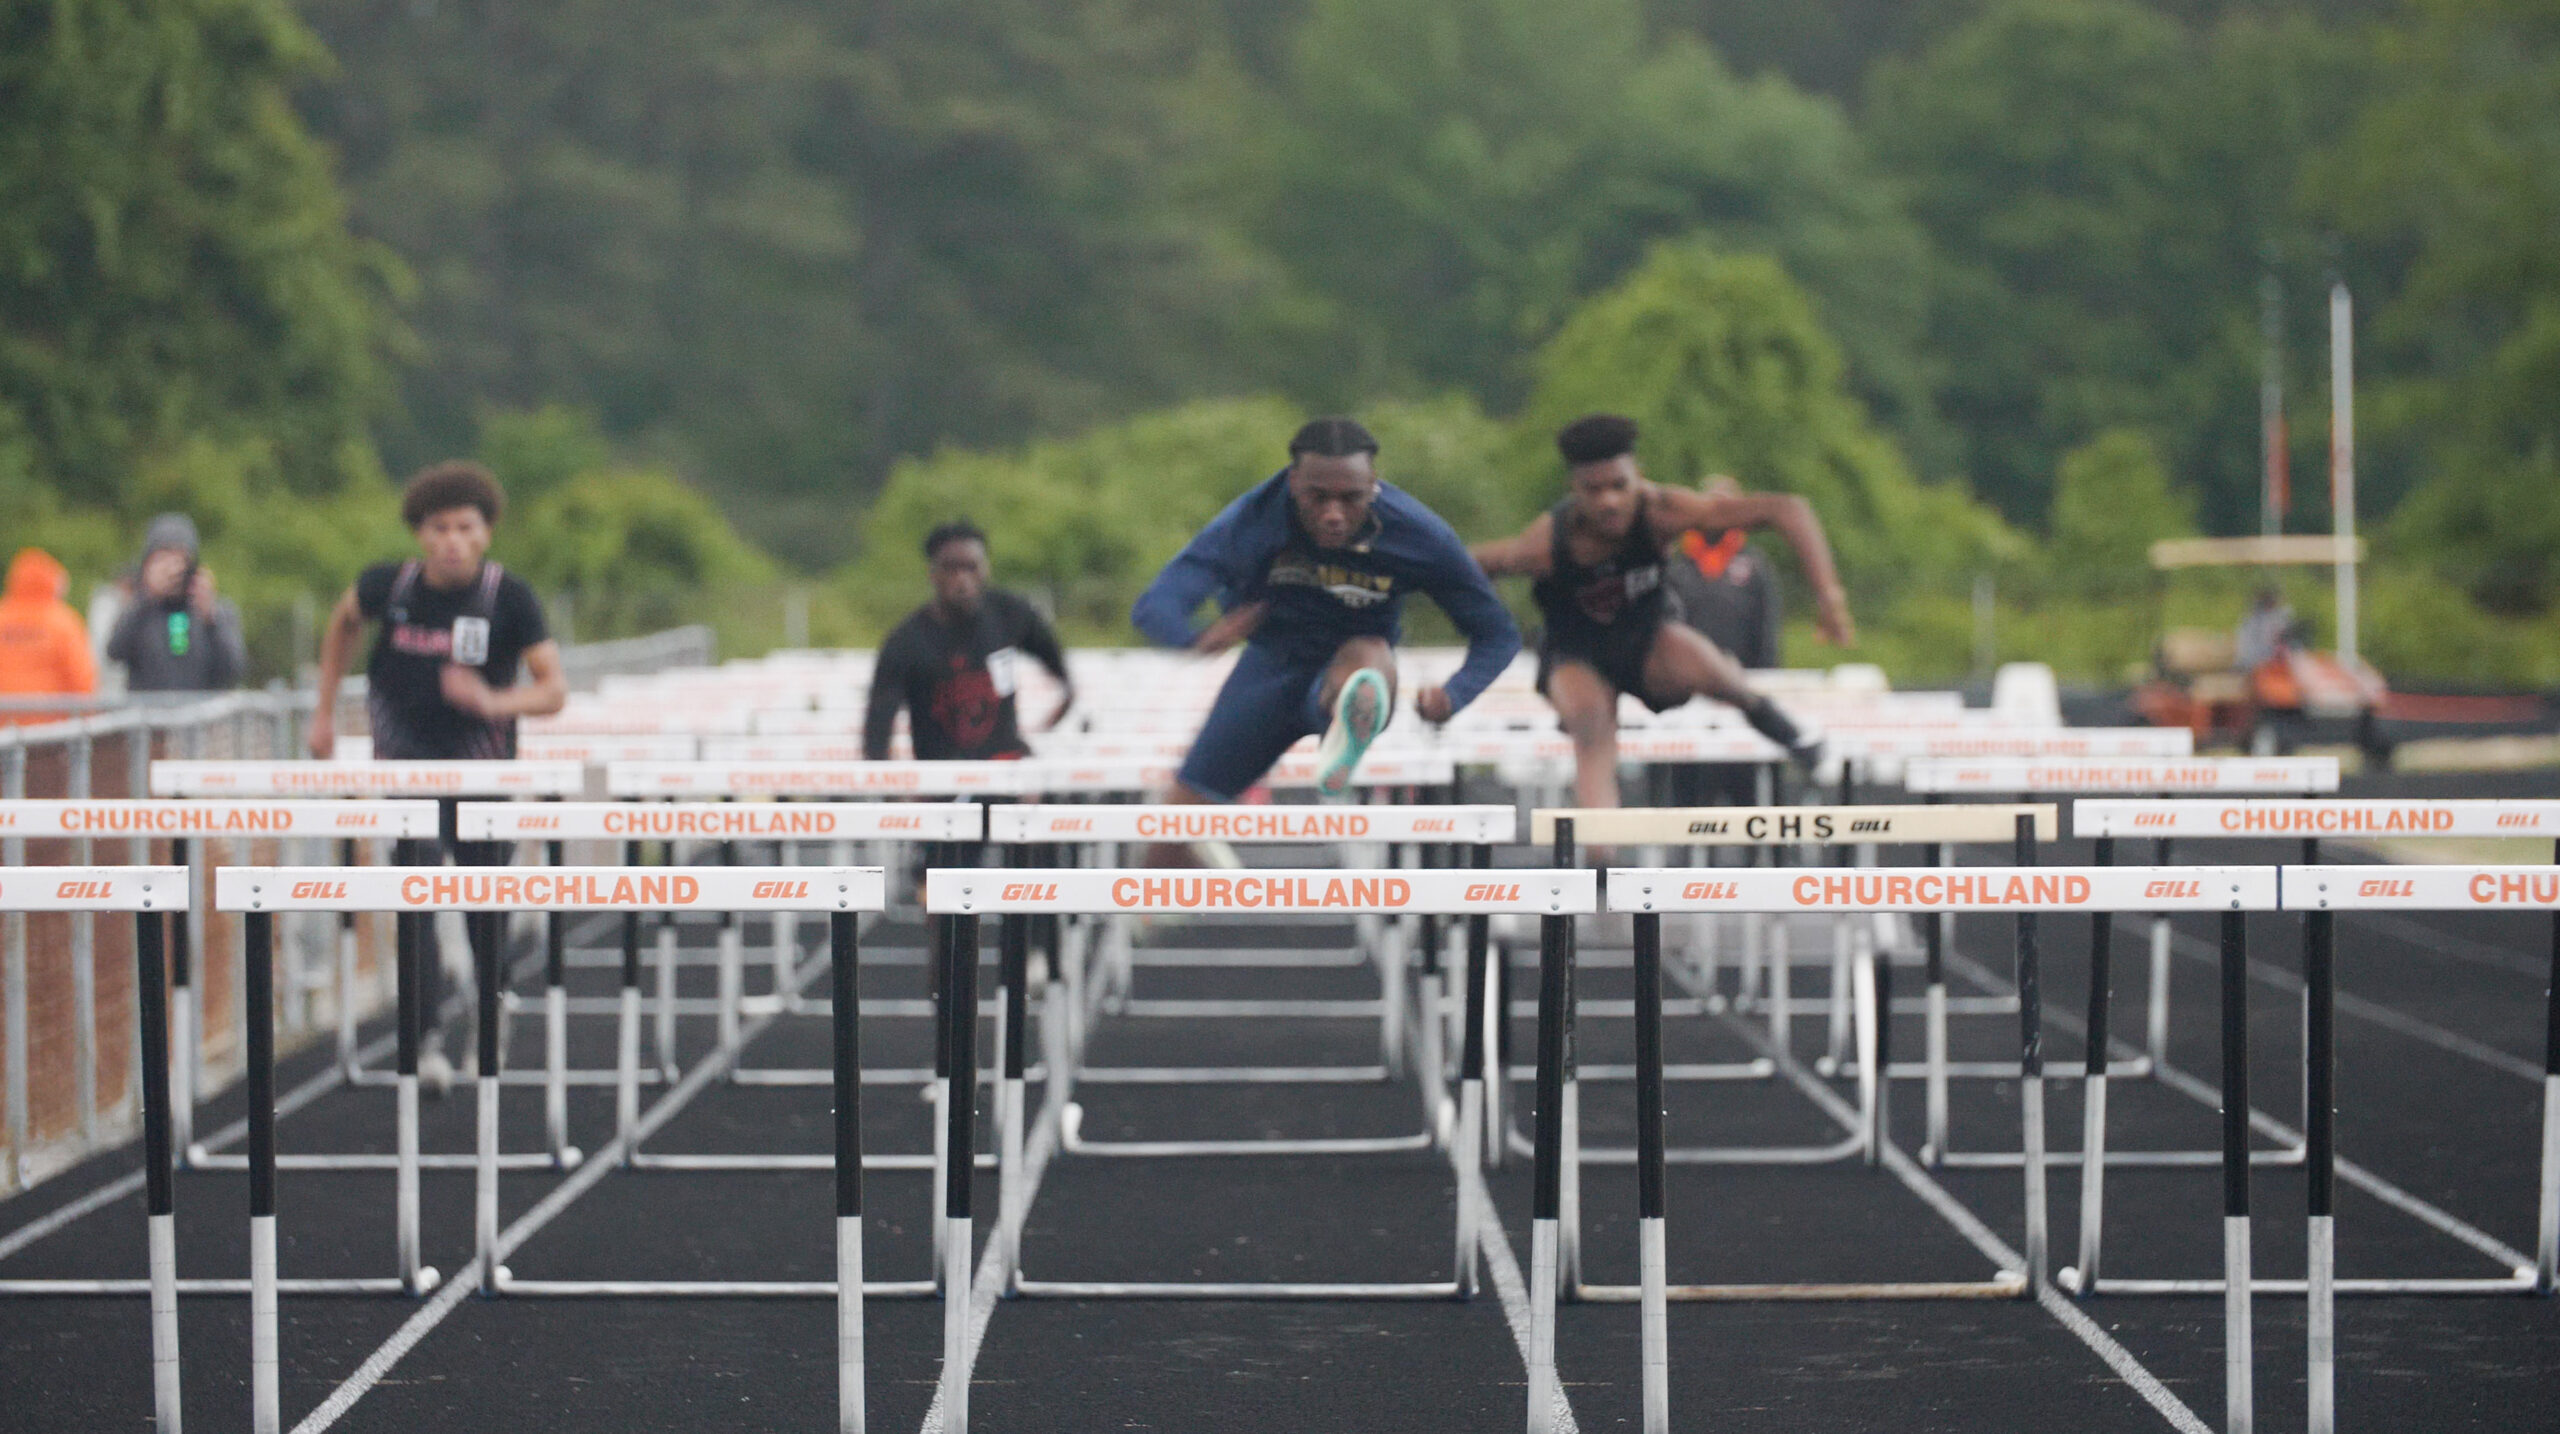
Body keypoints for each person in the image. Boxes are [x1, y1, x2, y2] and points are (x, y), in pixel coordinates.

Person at [309, 462, 568, 1090]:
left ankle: (490, 1018)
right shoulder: (389, 587)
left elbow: (553, 689)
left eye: (465, 527)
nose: (452, 539)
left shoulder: (509, 598)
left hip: (481, 778)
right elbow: (343, 622)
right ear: (420, 534)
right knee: (416, 907)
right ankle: (424, 1038)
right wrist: (323, 711)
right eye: (439, 528)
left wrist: (492, 702)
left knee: (486, 912)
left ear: (486, 533)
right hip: (405, 774)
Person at [1131, 416, 1521, 821]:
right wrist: (1195, 638)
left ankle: (1349, 723)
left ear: (1373, 486)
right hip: (1269, 668)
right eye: (1317, 497)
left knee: (1368, 653)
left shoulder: (1420, 536)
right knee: (1174, 822)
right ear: (1293, 482)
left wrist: (1454, 695)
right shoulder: (1253, 519)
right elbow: (1157, 603)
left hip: (1352, 663)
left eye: (1351, 498)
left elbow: (1497, 634)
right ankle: (1208, 878)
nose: (1333, 514)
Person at [1469, 414, 1854, 813]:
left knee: (1711, 669)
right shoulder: (1547, 543)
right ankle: (1602, 858)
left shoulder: (1663, 511)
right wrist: (1484, 625)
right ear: (1575, 490)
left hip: (1648, 640)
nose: (1610, 502)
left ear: (1639, 476)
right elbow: (1471, 564)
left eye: (1620, 486)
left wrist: (1829, 596)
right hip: (1576, 653)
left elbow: (1787, 510)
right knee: (1592, 725)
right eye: (1594, 490)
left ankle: (1787, 732)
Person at [862, 521, 1074, 761]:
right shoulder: (905, 642)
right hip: (941, 782)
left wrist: (1056, 715)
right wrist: (895, 792)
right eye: (951, 569)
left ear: (986, 568)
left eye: (971, 567)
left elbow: (1060, 670)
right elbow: (877, 728)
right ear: (932, 573)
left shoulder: (1010, 614)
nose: (962, 579)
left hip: (1005, 772)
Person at [106, 515, 247, 693]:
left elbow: (233, 670)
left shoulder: (215, 611)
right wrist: (145, 597)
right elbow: (114, 652)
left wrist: (211, 617)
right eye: (162, 560)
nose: (172, 571)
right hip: (147, 716)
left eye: (179, 560)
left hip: (201, 715)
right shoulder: (140, 610)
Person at [0, 548, 98, 718]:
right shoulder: (62, 622)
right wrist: (87, 716)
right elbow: (81, 677)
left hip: (5, 729)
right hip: (51, 730)